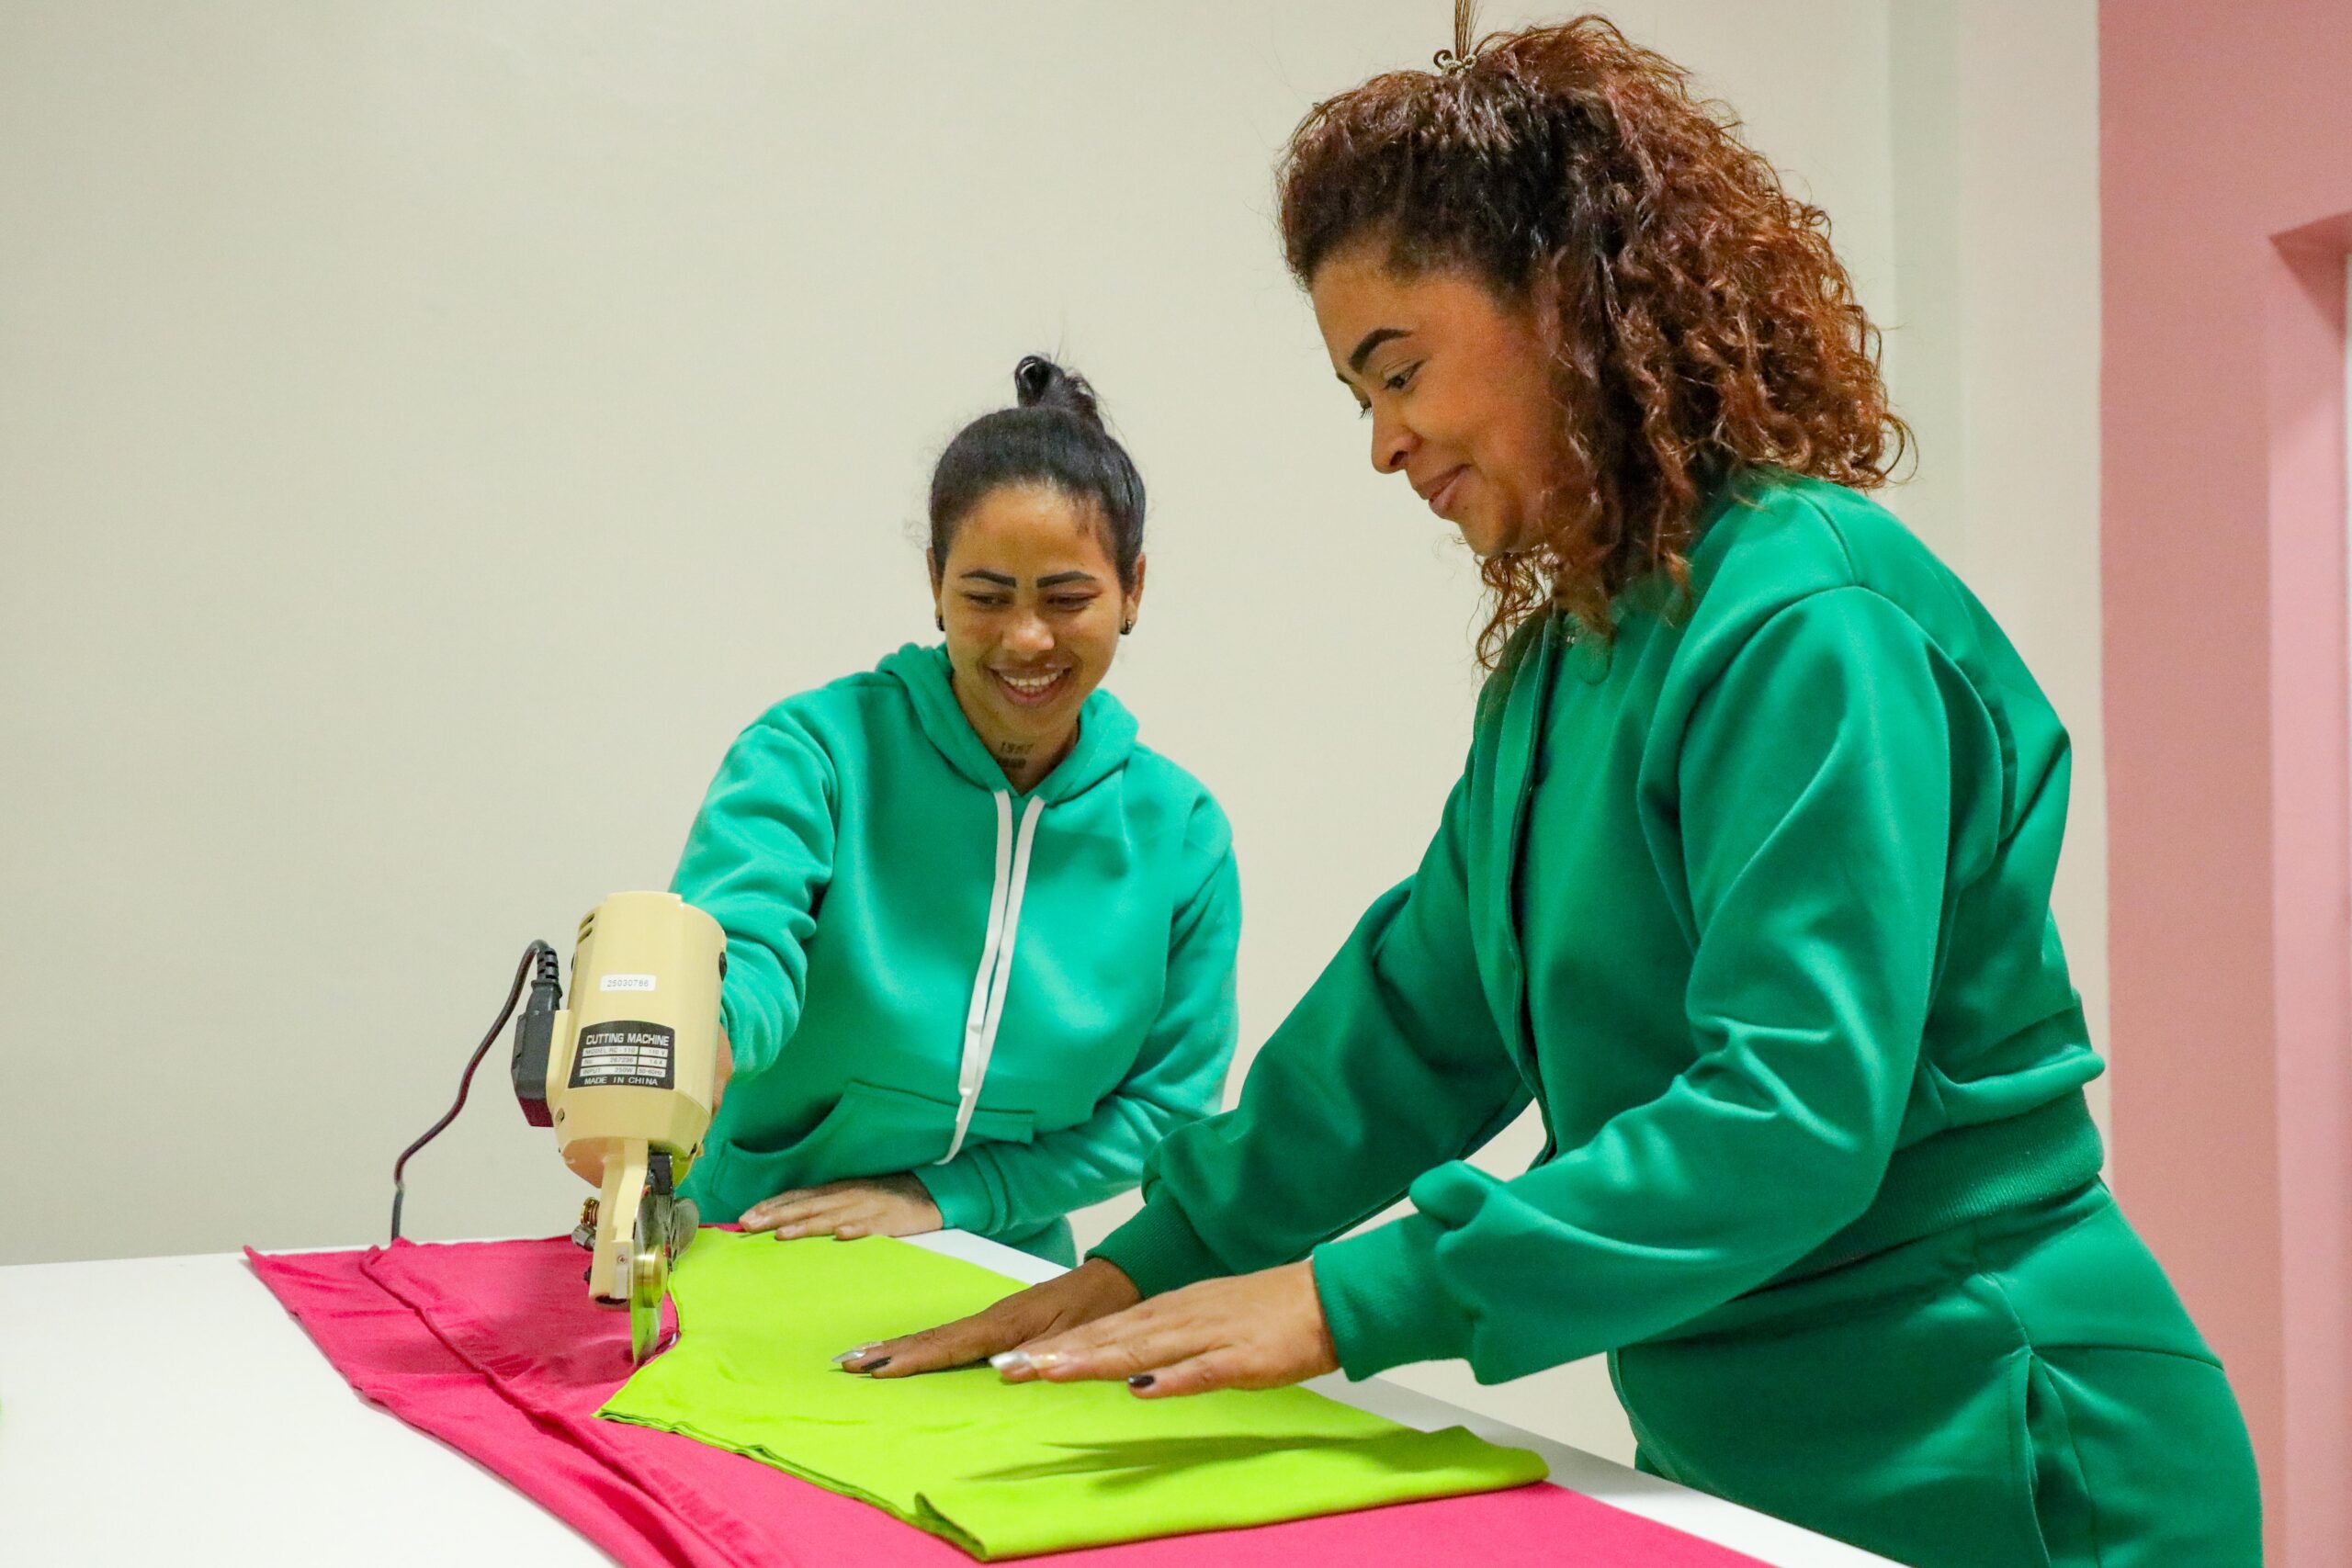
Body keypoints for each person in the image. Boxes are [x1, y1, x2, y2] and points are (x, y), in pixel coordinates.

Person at [836, 19, 2264, 1567]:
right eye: (1355, 395)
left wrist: (1348, 1299)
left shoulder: (1805, 623)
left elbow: (1787, 1117)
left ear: (1570, 303)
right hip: (1744, 1450)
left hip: (2002, 1451)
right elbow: (1410, 1029)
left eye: (1401, 370)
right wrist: (1146, 1262)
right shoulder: (1569, 662)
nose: (1385, 444)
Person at [671, 355, 1240, 1267]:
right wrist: (697, 1043)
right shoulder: (813, 755)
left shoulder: (1180, 836)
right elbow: (742, 945)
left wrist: (943, 1199)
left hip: (1002, 1268)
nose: (1025, 638)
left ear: (1132, 589)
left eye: (1067, 598)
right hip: (752, 1238)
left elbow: (1166, 1110)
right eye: (985, 597)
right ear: (935, 581)